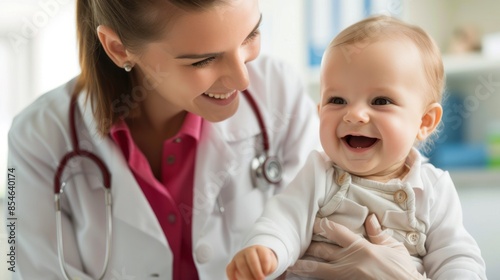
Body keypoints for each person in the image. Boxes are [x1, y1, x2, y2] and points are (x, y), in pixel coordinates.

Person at [227, 15, 487, 280]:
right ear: (319, 111)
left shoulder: (434, 189)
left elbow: (457, 256)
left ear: (424, 121)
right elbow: (284, 220)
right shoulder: (319, 174)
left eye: (380, 100)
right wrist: (266, 251)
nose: (354, 115)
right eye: (337, 100)